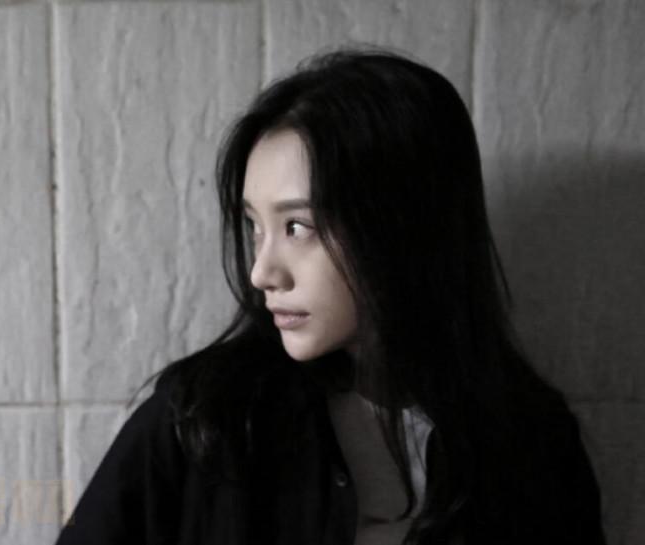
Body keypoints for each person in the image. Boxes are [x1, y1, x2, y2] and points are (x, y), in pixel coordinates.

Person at [54, 48, 606, 545]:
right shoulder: (205, 421)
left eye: (297, 227)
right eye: (255, 228)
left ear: (403, 227)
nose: (262, 272)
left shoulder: (531, 445)